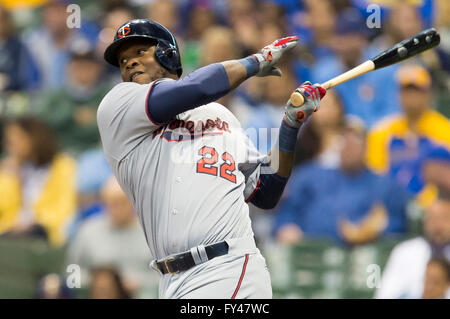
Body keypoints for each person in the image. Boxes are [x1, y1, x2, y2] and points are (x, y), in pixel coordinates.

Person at [97, 19, 325, 298]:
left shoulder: (220, 116)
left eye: (140, 51)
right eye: (123, 60)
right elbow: (197, 88)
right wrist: (255, 62)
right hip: (171, 280)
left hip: (230, 266)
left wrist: (289, 126)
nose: (130, 63)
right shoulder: (116, 107)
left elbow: (265, 193)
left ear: (168, 54)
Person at [274, 118, 410, 245]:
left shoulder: (384, 184)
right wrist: (286, 226)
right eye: (344, 140)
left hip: (365, 253)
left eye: (355, 141)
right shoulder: (311, 176)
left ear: (366, 147)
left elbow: (399, 222)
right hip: (312, 251)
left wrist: (377, 228)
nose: (349, 146)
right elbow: (288, 210)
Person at [367, 65, 450, 209]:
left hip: (435, 206)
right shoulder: (382, 132)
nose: (412, 97)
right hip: (392, 204)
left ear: (429, 94)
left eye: (417, 91)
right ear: (398, 94)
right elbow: (376, 175)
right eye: (406, 91)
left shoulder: (444, 129)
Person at [67, 176, 157, 296]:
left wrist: (139, 282)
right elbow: (71, 272)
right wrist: (93, 282)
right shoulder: (88, 231)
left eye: (122, 202)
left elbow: (165, 275)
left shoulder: (150, 233)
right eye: (112, 203)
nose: (117, 209)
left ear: (133, 201)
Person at [0, 116, 76, 246]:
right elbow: (4, 208)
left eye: (18, 139)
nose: (12, 146)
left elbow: (64, 209)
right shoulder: (11, 168)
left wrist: (34, 224)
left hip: (44, 232)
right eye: (10, 141)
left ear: (34, 138)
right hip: (11, 233)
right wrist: (10, 178)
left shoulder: (63, 165)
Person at [32, 49, 109, 155]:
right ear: (69, 69)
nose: (83, 71)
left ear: (97, 69)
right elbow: (41, 123)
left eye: (88, 67)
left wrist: (94, 119)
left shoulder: (107, 95)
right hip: (61, 153)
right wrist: (72, 114)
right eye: (78, 66)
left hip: (97, 153)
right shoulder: (56, 96)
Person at [375, 198, 450, 299]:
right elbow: (385, 295)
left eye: (444, 218)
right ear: (424, 221)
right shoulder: (404, 251)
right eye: (432, 218)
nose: (438, 225)